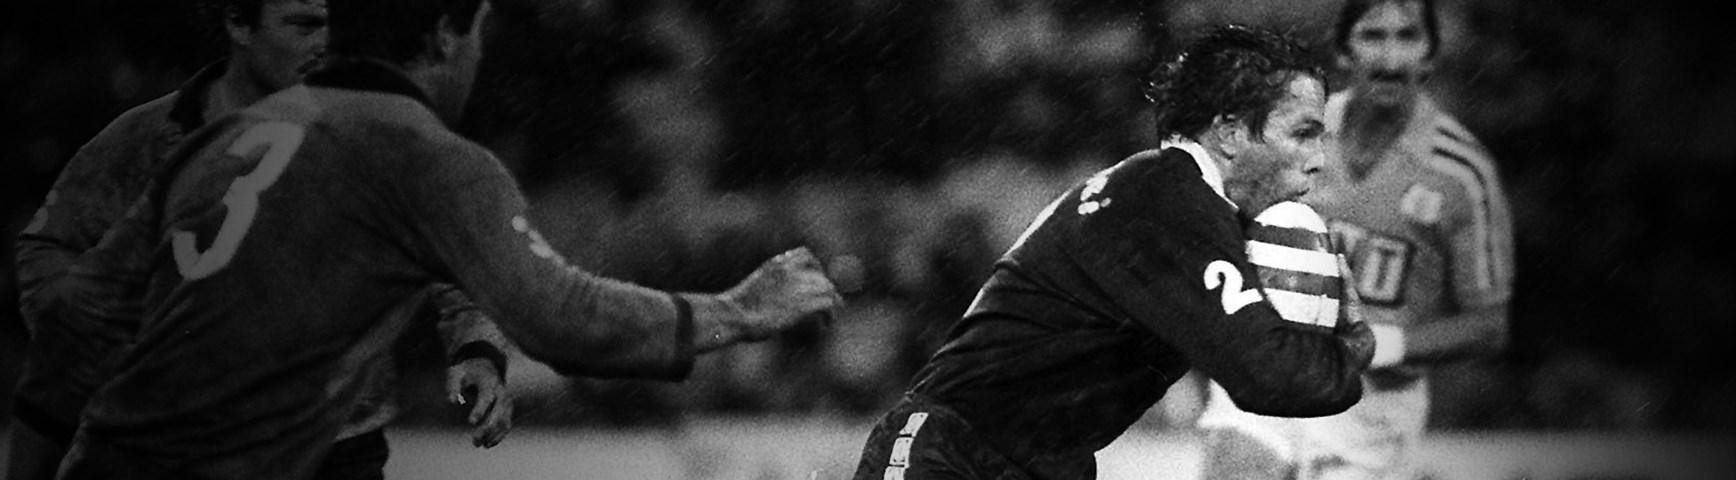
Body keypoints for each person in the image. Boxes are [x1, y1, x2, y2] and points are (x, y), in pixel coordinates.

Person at [45, 0, 841, 478]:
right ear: (444, 39)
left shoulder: (222, 140)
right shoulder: (428, 155)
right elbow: (561, 317)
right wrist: (739, 311)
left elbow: (78, 316)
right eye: (479, 33)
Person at [848, 24, 1376, 480]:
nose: (1318, 159)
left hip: (1034, 464)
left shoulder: (1166, 194)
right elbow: (1269, 378)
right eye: (1303, 134)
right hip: (953, 457)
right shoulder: (1171, 201)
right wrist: (1351, 348)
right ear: (1231, 132)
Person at [9, 1, 511, 479]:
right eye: (304, 25)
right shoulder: (148, 136)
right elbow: (48, 246)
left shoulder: (372, 132)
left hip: (338, 445)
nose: (326, 43)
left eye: (336, 26)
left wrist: (476, 348)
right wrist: (103, 350)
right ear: (238, 23)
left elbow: (452, 252)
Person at [1193, 1, 1515, 479]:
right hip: (1271, 366)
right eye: (1373, 35)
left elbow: (1488, 325)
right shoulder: (1287, 132)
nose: (1391, 56)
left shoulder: (1462, 173)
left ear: (1430, 55)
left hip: (1372, 404)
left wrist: (1383, 346)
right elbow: (1218, 237)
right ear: (1343, 51)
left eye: (1408, 36)